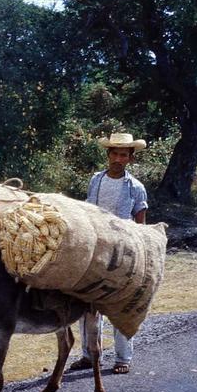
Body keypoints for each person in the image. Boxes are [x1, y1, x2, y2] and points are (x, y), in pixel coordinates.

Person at [70, 132, 148, 375]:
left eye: (123, 154)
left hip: (122, 251)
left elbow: (140, 224)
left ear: (130, 159)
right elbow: (87, 211)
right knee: (88, 303)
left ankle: (123, 357)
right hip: (96, 249)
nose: (117, 158)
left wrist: (139, 253)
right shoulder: (96, 180)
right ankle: (88, 354)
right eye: (114, 153)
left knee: (120, 303)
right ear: (108, 155)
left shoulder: (135, 187)